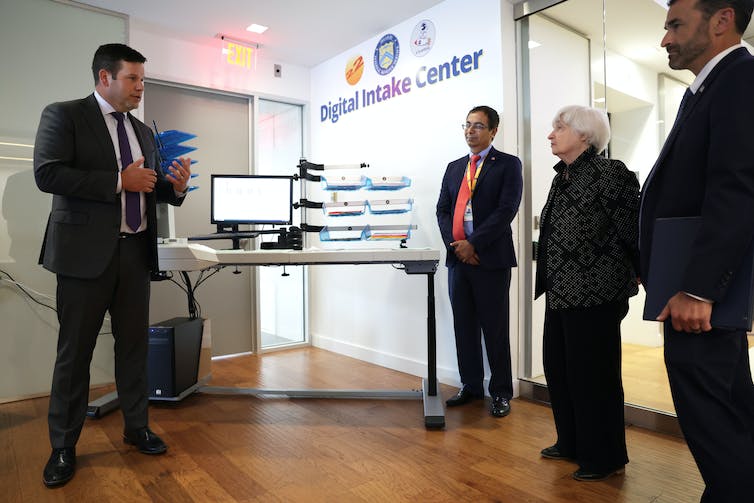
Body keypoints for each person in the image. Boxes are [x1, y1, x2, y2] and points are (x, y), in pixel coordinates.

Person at [34, 43, 192, 488]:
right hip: (84, 257)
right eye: (133, 79)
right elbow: (47, 173)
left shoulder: (142, 132)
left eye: (142, 79)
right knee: (74, 354)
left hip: (135, 255)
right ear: (105, 77)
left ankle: (136, 426)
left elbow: (149, 188)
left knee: (133, 349)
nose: (141, 87)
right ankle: (63, 446)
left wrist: (174, 188)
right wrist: (116, 181)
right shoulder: (64, 115)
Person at [639, 0, 754, 500]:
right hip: (692, 291)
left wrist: (699, 289)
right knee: (729, 417)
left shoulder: (739, 80)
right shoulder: (707, 89)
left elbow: (736, 189)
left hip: (699, 298)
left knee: (714, 423)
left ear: (722, 19)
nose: (665, 39)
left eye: (675, 25)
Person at [535, 105, 639, 482]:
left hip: (597, 293)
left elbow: (632, 230)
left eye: (559, 127)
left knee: (594, 377)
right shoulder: (561, 176)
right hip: (561, 292)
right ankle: (572, 442)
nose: (551, 134)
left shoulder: (611, 174)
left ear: (584, 135)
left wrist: (644, 274)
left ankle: (604, 455)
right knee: (560, 371)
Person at [436, 105, 523, 417]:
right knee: (463, 327)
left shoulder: (508, 165)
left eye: (478, 126)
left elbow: (506, 210)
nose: (470, 131)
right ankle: (471, 386)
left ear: (493, 131)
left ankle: (500, 392)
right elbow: (443, 210)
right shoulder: (454, 167)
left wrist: (473, 244)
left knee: (495, 329)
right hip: (458, 260)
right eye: (467, 125)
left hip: (491, 260)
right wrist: (458, 246)